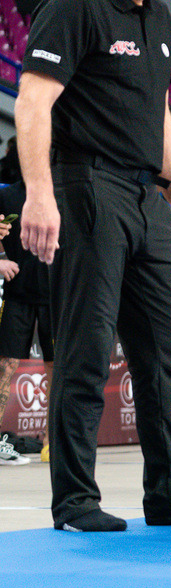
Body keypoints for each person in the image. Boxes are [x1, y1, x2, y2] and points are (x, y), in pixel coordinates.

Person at [17, 0, 171, 531]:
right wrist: (40, 194)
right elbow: (32, 102)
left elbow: (158, 109)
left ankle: (170, 495)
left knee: (168, 346)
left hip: (147, 198)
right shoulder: (75, 9)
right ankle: (75, 502)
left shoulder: (157, 17)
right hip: (89, 184)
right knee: (87, 347)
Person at [0, 178, 52, 464]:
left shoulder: (62, 191)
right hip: (17, 294)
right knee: (3, 366)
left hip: (56, 295)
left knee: (56, 369)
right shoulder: (7, 196)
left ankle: (52, 443)